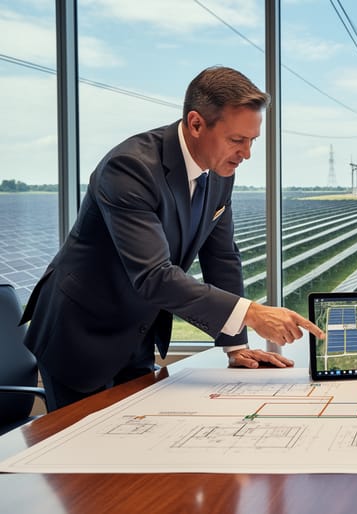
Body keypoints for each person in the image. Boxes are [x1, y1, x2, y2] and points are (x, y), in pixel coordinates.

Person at [21, 66, 324, 411]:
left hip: (136, 335)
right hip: (80, 337)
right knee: (83, 458)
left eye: (252, 140)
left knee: (135, 447)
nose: (247, 154)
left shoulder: (220, 172)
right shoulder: (129, 167)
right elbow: (154, 275)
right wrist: (251, 312)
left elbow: (222, 257)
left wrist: (235, 345)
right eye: (237, 140)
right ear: (196, 124)